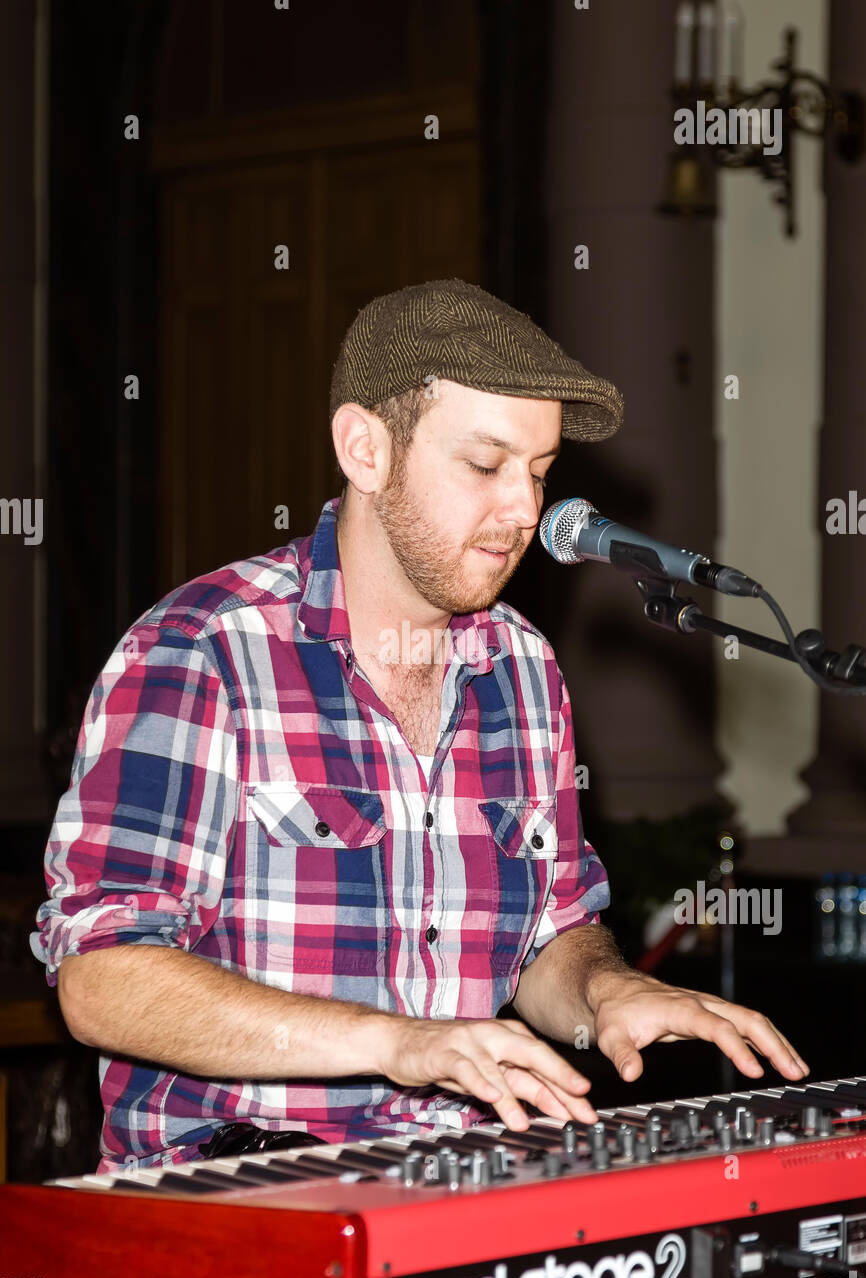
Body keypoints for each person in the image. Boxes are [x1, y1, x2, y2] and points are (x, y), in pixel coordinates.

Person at [32, 279, 808, 1171]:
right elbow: (103, 977)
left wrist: (606, 990)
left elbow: (548, 937)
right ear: (365, 448)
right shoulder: (202, 651)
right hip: (234, 1204)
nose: (526, 511)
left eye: (541, 473)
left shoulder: (521, 667)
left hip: (459, 1188)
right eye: (485, 466)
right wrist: (397, 1042)